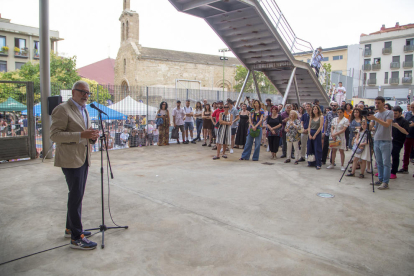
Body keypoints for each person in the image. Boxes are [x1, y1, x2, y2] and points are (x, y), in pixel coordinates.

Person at [50, 80, 99, 250]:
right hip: (70, 159)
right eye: (82, 92)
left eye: (87, 93)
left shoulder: (83, 109)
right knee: (76, 195)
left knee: (77, 195)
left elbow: (86, 132)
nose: (86, 95)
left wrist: (92, 136)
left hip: (83, 157)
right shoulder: (62, 109)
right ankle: (77, 238)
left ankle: (70, 229)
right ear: (73, 92)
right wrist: (81, 134)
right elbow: (55, 135)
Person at [368, 96, 394, 190]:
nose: (377, 104)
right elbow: (371, 127)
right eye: (376, 103)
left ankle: (385, 182)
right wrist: (369, 121)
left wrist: (375, 119)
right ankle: (380, 179)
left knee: (386, 162)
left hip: (386, 140)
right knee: (378, 162)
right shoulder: (376, 114)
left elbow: (387, 124)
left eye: (379, 103)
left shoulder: (389, 112)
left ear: (383, 103)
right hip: (377, 139)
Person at [390, 106, 409, 179]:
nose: (394, 115)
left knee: (395, 156)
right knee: (386, 156)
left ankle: (394, 172)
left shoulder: (404, 121)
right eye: (393, 113)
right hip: (389, 139)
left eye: (396, 113)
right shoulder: (391, 119)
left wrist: (398, 126)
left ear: (400, 113)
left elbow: (406, 132)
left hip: (398, 141)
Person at [400, 102, 414, 175]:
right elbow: (405, 123)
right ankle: (405, 168)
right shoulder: (408, 114)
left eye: (413, 107)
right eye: (411, 107)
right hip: (408, 135)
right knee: (406, 152)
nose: (412, 108)